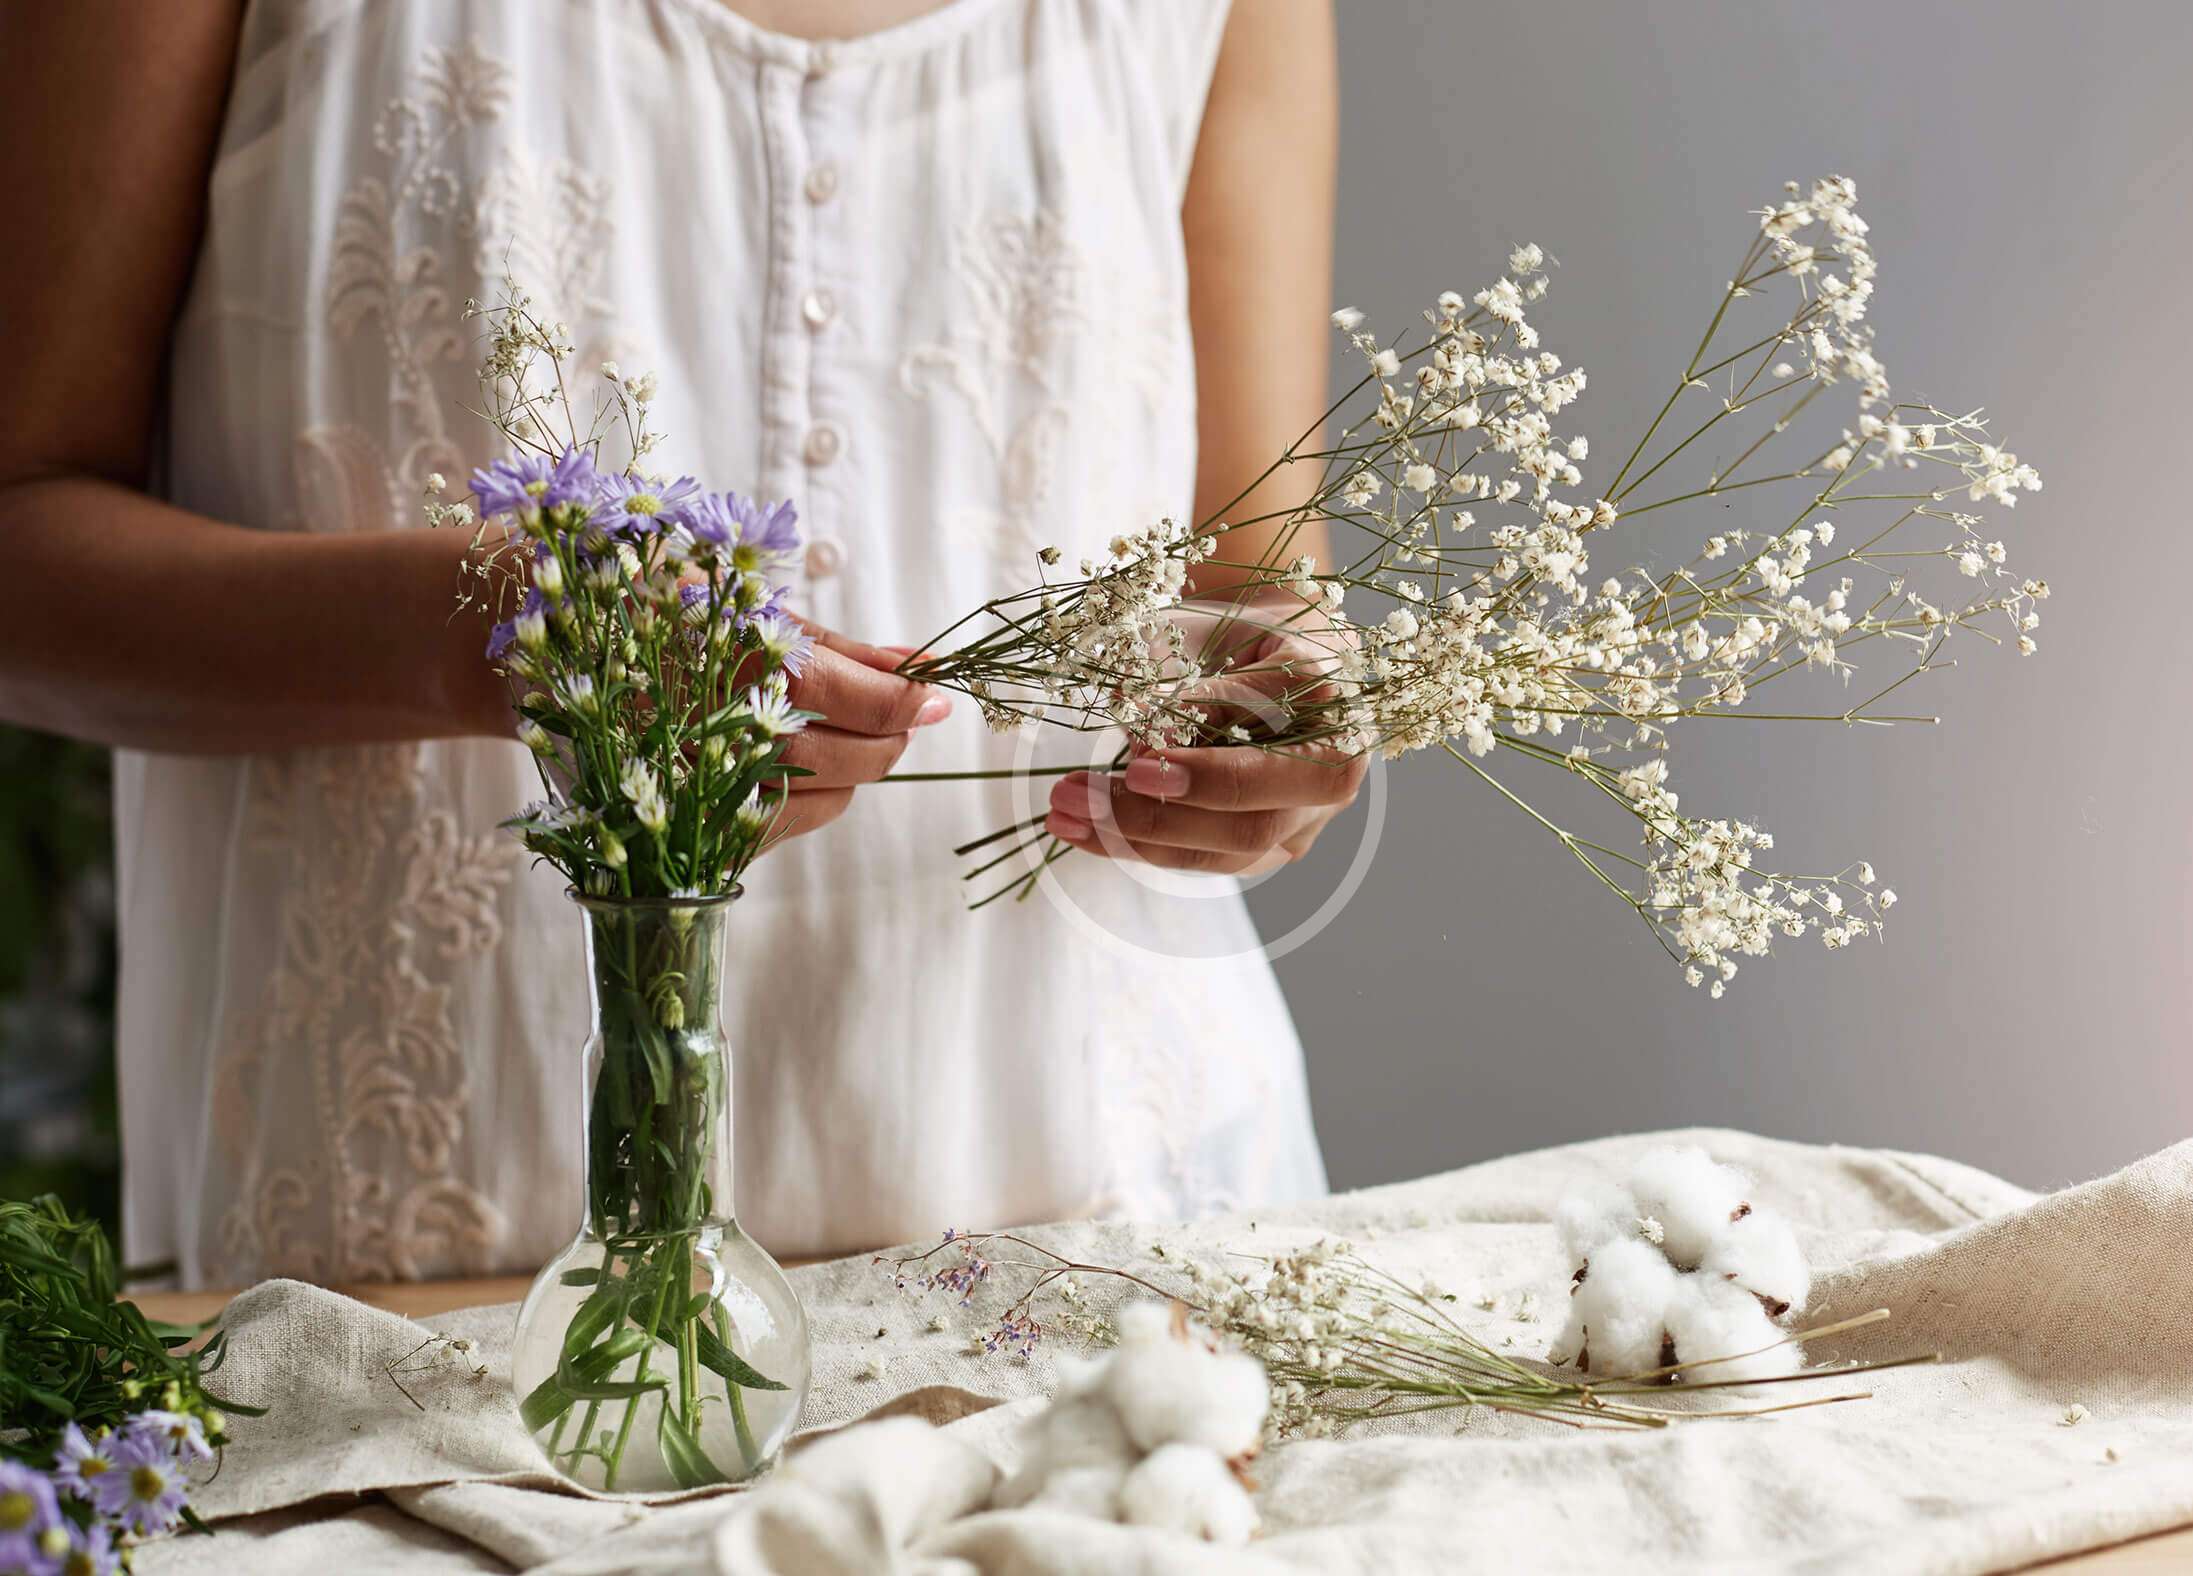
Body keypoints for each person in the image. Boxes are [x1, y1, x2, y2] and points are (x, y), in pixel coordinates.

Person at [0, 0, 1353, 1286]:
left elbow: (1259, 581)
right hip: (418, 1298)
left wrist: (1275, 733)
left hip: (1121, 1255)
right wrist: (495, 635)